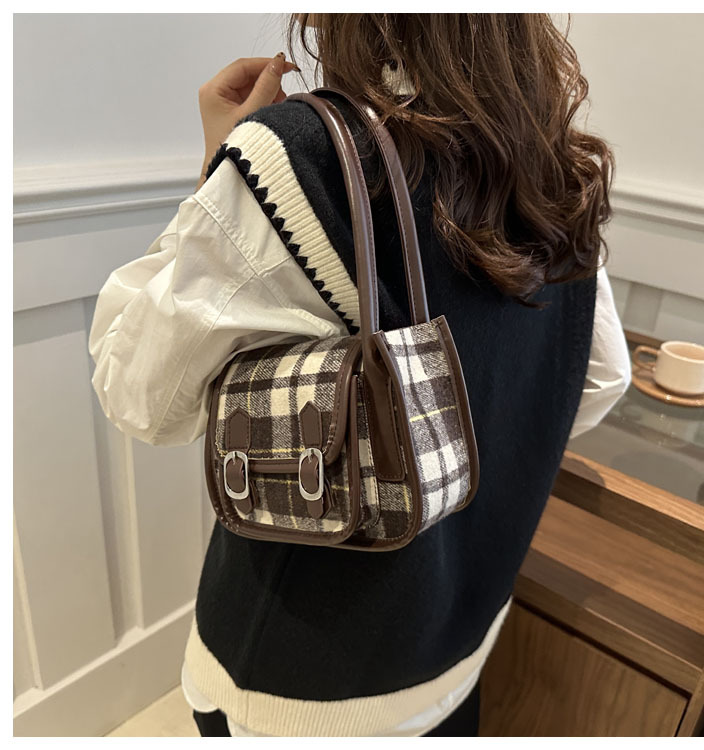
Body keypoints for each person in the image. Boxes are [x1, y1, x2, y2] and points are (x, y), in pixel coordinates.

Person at [88, 13, 631, 737]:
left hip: (299, 682)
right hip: (459, 646)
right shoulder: (556, 168)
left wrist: (219, 163)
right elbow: (598, 380)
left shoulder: (307, 154)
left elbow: (138, 395)